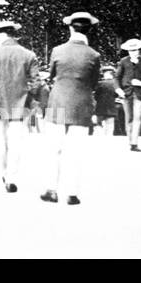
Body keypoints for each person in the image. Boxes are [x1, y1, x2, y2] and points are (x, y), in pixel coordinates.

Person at [41, 12, 102, 206]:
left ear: (70, 28)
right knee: (75, 151)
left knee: (53, 149)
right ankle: (72, 193)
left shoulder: (57, 51)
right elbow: (93, 82)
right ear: (89, 30)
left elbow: (51, 75)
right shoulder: (94, 55)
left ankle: (52, 190)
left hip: (57, 103)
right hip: (81, 106)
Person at [0, 20, 39, 194]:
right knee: (16, 141)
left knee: (0, 141)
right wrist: (28, 95)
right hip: (20, 105)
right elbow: (36, 82)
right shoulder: (28, 55)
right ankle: (12, 176)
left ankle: (3, 173)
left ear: (1, 35)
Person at [116, 38, 141, 151]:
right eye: (131, 50)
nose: (134, 52)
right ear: (128, 51)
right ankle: (130, 140)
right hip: (126, 93)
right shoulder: (123, 62)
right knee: (129, 118)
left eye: (136, 50)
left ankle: (134, 143)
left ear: (139, 50)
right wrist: (118, 89)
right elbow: (117, 77)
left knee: (137, 117)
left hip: (139, 94)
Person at [93, 66, 119, 135]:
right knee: (110, 127)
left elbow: (96, 96)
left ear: (105, 74)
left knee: (98, 127)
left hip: (100, 109)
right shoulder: (116, 84)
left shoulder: (100, 84)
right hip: (112, 108)